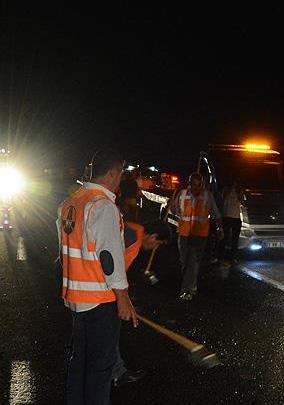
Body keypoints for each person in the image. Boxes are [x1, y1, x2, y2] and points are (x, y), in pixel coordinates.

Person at [58, 149, 137, 405]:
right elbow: (109, 258)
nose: (120, 180)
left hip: (75, 298)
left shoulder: (70, 202)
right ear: (112, 173)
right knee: (100, 368)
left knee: (78, 361)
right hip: (99, 300)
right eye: (120, 174)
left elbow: (67, 250)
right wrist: (123, 298)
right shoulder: (102, 206)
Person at [112, 220, 170, 387]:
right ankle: (115, 374)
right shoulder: (131, 238)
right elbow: (112, 268)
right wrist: (122, 300)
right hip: (95, 288)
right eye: (157, 243)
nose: (155, 248)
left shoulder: (130, 232)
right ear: (152, 237)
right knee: (108, 329)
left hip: (90, 285)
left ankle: (112, 371)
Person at [171, 173, 223, 301]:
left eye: (199, 185)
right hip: (183, 234)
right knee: (184, 262)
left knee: (192, 262)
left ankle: (186, 290)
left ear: (202, 185)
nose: (196, 188)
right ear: (190, 184)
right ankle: (192, 285)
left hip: (199, 235)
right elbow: (175, 210)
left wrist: (219, 228)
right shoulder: (182, 195)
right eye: (194, 184)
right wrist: (171, 205)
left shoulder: (207, 196)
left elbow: (216, 214)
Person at [219, 179, 244, 264]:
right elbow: (222, 200)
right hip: (227, 216)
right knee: (224, 238)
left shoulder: (239, 191)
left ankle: (232, 258)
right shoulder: (226, 190)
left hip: (236, 218)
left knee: (235, 239)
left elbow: (243, 202)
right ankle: (221, 257)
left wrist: (239, 195)